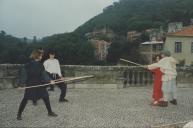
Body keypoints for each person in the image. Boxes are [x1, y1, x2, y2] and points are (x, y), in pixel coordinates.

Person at [17, 50, 57, 120]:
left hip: (39, 84)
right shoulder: (28, 65)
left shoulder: (37, 65)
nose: (42, 56)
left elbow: (43, 74)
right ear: (38, 56)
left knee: (45, 97)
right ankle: (19, 114)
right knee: (25, 99)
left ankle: (50, 112)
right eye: (41, 55)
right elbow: (24, 75)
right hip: (32, 84)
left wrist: (50, 80)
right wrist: (21, 85)